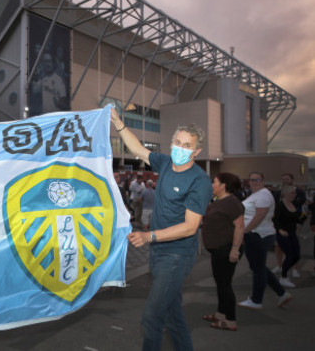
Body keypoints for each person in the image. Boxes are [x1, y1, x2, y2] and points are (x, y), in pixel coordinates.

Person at [111, 109, 212, 351]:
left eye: (187, 145)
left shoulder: (199, 181)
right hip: (157, 252)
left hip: (176, 255)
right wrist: (117, 122)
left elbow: (190, 227)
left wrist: (149, 235)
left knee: (152, 317)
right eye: (177, 142)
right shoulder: (166, 162)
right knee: (172, 314)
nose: (180, 147)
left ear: (196, 152)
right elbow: (137, 150)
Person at [238, 172, 292, 310]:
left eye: (257, 179)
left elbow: (260, 215)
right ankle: (282, 293)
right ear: (248, 182)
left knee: (258, 268)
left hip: (258, 235)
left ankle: (256, 301)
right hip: (257, 234)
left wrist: (245, 230)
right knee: (259, 267)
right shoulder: (257, 194)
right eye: (252, 180)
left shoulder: (263, 194)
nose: (254, 182)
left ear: (263, 181)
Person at [201, 173, 245, 331]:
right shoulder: (219, 201)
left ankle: (231, 320)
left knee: (225, 284)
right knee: (220, 283)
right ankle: (221, 314)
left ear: (223, 185)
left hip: (226, 249)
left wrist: (235, 249)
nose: (212, 185)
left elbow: (240, 227)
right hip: (218, 250)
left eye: (215, 183)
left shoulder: (232, 202)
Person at [271, 173, 306, 278]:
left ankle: (294, 269)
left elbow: (298, 203)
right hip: (280, 223)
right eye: (283, 179)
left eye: (287, 179)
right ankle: (279, 265)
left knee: (293, 247)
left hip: (293, 222)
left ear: (292, 180)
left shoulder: (299, 192)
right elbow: (275, 205)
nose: (285, 181)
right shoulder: (278, 192)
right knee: (279, 246)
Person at [273, 185, 302, 288]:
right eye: (292, 193)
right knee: (290, 255)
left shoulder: (293, 204)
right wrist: (280, 230)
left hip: (292, 233)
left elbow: (296, 219)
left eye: (295, 193)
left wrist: (302, 217)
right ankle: (283, 277)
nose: (295, 195)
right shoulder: (280, 205)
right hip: (283, 234)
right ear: (285, 193)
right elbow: (275, 220)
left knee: (297, 256)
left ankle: (284, 270)